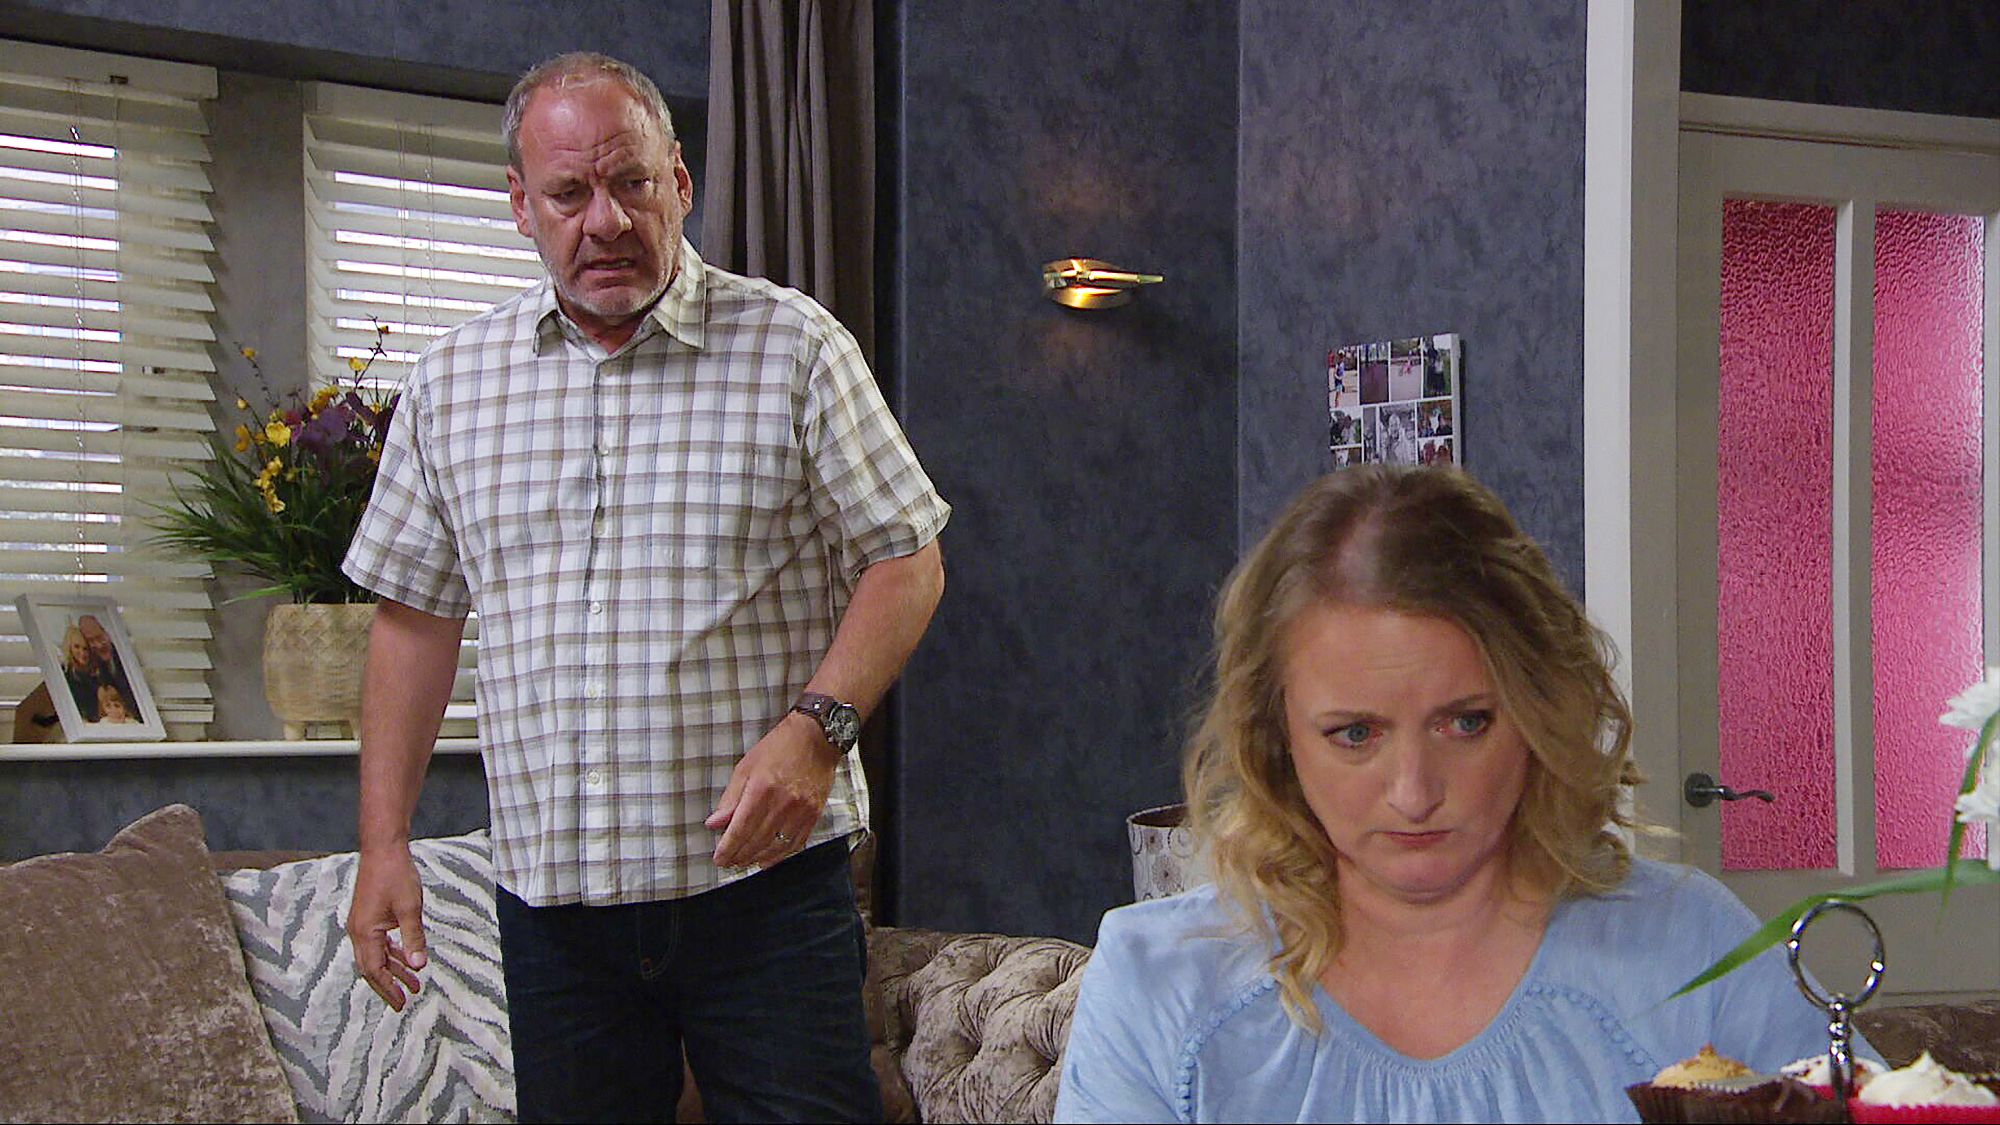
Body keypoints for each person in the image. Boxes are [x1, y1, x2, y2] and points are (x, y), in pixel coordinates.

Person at [340, 52, 949, 1124]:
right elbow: (414, 621)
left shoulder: (794, 348)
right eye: (570, 193)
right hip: (556, 911)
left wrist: (816, 732)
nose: (606, 221)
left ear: (681, 181)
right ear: (521, 206)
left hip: (762, 891)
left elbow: (907, 559)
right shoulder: (450, 386)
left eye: (631, 183)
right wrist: (383, 843)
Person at [1054, 466, 1853, 1123]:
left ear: (1539, 710)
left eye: (1466, 722)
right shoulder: (1160, 987)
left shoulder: (1695, 950)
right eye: (1355, 734)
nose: (1414, 793)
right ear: (1277, 735)